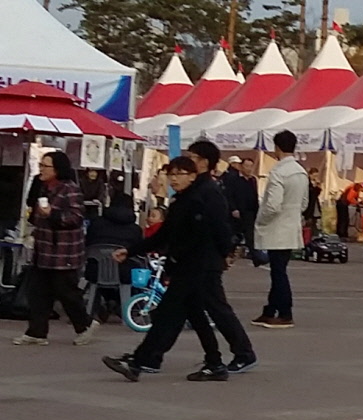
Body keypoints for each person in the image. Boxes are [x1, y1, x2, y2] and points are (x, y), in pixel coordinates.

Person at [104, 156, 256, 381]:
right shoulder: (181, 201)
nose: (174, 179)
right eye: (171, 174)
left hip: (196, 267)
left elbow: (213, 231)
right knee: (196, 316)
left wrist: (226, 253)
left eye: (179, 174)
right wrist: (132, 250)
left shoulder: (201, 198)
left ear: (193, 175)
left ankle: (139, 361)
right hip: (186, 267)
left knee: (167, 314)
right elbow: (164, 235)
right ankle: (214, 363)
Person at [14, 150, 96, 347]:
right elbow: (36, 215)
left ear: (58, 168)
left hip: (63, 251)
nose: (41, 169)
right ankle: (36, 332)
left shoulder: (70, 189)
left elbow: (76, 218)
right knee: (38, 291)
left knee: (66, 290)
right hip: (43, 249)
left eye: (45, 166)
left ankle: (85, 325)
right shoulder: (43, 187)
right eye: (40, 165)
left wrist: (53, 214)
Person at [252, 131, 308, 328]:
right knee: (279, 269)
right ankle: (270, 310)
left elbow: (272, 206)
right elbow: (304, 203)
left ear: (277, 147)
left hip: (276, 228)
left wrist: (262, 220)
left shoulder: (278, 172)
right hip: (291, 226)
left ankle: (285, 312)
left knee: (278, 273)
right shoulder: (301, 172)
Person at [218, 155, 258, 257]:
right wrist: (233, 208)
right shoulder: (233, 178)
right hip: (237, 212)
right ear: (241, 167)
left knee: (250, 234)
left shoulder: (253, 180)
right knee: (234, 233)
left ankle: (253, 254)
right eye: (246, 166)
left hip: (250, 212)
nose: (248, 169)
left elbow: (255, 196)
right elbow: (229, 195)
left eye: (250, 166)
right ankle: (229, 252)